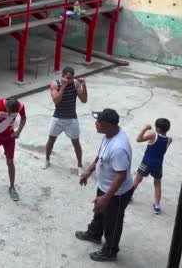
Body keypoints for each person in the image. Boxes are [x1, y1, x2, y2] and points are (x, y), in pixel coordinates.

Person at [75, 109, 134, 262]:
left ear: (108, 126)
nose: (95, 124)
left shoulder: (119, 147)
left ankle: (110, 250)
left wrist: (106, 197)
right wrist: (89, 171)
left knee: (113, 221)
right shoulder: (109, 135)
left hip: (117, 193)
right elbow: (100, 156)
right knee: (99, 212)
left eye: (98, 123)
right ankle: (94, 234)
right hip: (105, 185)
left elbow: (121, 176)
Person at [45, 66, 88, 176]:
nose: (69, 80)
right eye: (67, 78)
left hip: (71, 118)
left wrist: (84, 85)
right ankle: (47, 159)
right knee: (51, 140)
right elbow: (56, 101)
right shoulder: (54, 84)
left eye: (71, 78)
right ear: (62, 76)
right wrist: (63, 86)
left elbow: (84, 100)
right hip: (58, 117)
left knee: (76, 143)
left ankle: (79, 165)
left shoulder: (75, 83)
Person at [132, 119, 172, 214]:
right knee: (157, 183)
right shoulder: (169, 140)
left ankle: (128, 196)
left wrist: (145, 129)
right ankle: (157, 205)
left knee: (138, 179)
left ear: (157, 128)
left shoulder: (153, 135)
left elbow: (138, 139)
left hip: (146, 162)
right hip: (158, 164)